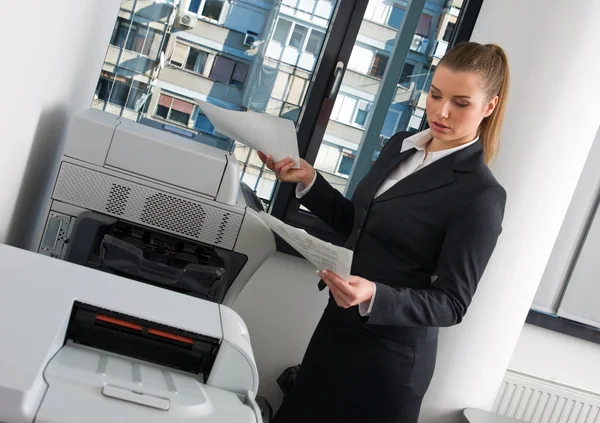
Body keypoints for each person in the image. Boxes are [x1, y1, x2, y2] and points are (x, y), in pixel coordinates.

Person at [259, 41, 510, 423]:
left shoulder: (480, 195)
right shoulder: (401, 146)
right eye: (435, 94)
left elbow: (451, 303)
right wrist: (310, 181)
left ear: (488, 107)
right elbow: (359, 223)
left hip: (388, 367)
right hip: (335, 335)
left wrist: (376, 294)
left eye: (461, 103)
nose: (441, 111)